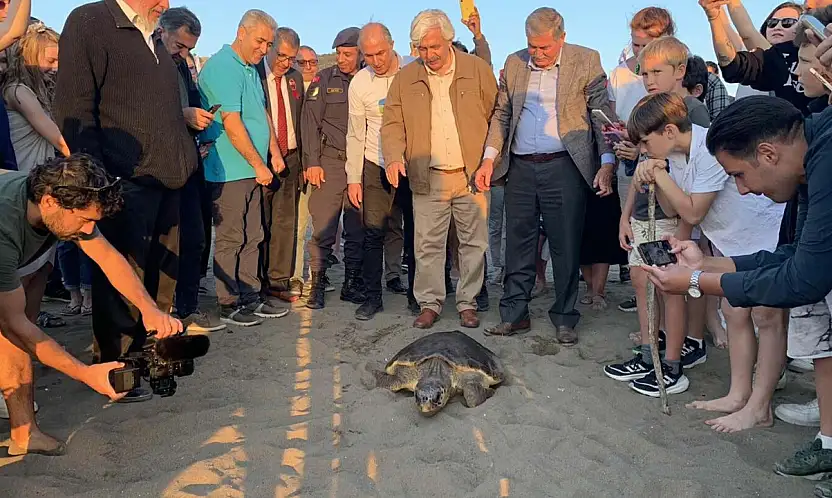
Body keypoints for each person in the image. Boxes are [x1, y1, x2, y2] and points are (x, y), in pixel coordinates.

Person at [641, 96, 832, 490]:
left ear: (767, 153)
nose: (742, 191)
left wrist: (695, 283)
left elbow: (805, 279)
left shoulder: (825, 163)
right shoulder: (813, 157)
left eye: (740, 176)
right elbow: (794, 254)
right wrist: (706, 266)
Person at [54, 0, 198, 403]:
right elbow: (73, 110)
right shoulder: (91, 21)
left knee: (161, 277)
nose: (165, 4)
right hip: (122, 182)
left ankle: (154, 356)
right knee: (122, 275)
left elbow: (158, 110)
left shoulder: (152, 36)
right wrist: (96, 185)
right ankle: (118, 367)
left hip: (168, 180)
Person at [0, 154, 183, 456]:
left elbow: (108, 258)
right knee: (14, 327)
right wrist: (87, 374)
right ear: (48, 202)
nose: (88, 231)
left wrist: (149, 309)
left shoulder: (60, 205)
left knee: (13, 338)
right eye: (85, 220)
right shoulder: (6, 227)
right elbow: (14, 323)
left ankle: (25, 434)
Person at [475, 7, 615, 344]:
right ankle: (514, 314)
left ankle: (565, 317)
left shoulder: (586, 60)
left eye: (544, 48)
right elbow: (502, 114)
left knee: (565, 243)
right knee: (517, 242)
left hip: (565, 164)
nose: (536, 54)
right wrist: (488, 159)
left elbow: (601, 114)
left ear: (562, 38)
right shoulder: (513, 62)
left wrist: (607, 162)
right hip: (520, 166)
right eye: (532, 47)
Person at [381, 9, 496, 330]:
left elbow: (496, 113)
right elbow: (391, 123)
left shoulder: (476, 69)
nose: (428, 55)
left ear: (448, 40)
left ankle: (467, 302)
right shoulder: (406, 78)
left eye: (434, 47)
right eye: (421, 48)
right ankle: (430, 303)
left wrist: (489, 159)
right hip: (427, 176)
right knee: (427, 244)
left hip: (470, 175)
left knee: (473, 243)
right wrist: (392, 155)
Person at [198, 9, 289, 327]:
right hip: (231, 170)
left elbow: (262, 112)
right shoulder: (224, 66)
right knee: (231, 238)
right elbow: (232, 123)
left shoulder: (249, 69)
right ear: (241, 32)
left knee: (254, 235)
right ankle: (229, 302)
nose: (265, 49)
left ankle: (251, 296)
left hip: (254, 168)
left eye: (268, 43)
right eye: (260, 41)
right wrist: (257, 163)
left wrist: (274, 153)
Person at [155, 6, 224, 333]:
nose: (183, 53)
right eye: (179, 46)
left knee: (195, 238)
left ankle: (188, 306)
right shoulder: (148, 59)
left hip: (188, 160)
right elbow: (144, 110)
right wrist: (180, 114)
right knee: (166, 243)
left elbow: (187, 103)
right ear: (161, 31)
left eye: (189, 49)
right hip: (158, 165)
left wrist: (197, 118)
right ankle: (161, 313)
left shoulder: (181, 65)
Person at [608, 7, 677, 315]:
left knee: (667, 249)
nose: (640, 56)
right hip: (630, 165)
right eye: (635, 46)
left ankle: (670, 322)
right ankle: (647, 307)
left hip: (668, 177)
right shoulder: (620, 74)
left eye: (646, 47)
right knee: (637, 239)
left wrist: (642, 146)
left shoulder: (678, 83)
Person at [346, 22, 416, 320]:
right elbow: (355, 133)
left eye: (381, 53)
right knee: (373, 233)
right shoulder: (360, 82)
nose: (376, 60)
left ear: (392, 45)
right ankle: (373, 298)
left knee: (416, 233)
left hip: (413, 164)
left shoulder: (414, 70)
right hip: (375, 165)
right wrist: (353, 178)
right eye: (369, 55)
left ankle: (417, 296)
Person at [301, 27, 366, 310]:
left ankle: (351, 284)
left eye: (348, 54)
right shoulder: (324, 80)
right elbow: (309, 123)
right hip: (329, 161)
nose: (341, 59)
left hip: (360, 165)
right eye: (339, 53)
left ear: (361, 54)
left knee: (357, 226)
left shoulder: (370, 81)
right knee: (324, 225)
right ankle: (317, 282)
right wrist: (312, 162)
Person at [257, 27, 305, 303]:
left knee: (285, 221)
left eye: (291, 58)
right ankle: (258, 280)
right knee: (260, 220)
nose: (285, 63)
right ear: (270, 48)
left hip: (291, 158)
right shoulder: (254, 74)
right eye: (281, 55)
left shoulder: (295, 78)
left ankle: (278, 280)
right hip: (263, 157)